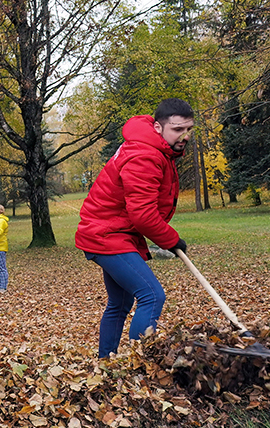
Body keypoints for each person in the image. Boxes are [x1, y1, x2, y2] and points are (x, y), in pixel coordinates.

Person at [75, 98, 194, 358]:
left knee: (120, 303)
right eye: (177, 129)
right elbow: (142, 214)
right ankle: (137, 366)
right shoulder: (145, 155)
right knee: (151, 295)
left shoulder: (153, 148)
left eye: (188, 129)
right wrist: (171, 240)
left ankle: (107, 362)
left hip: (113, 232)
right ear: (158, 127)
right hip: (106, 235)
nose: (184, 136)